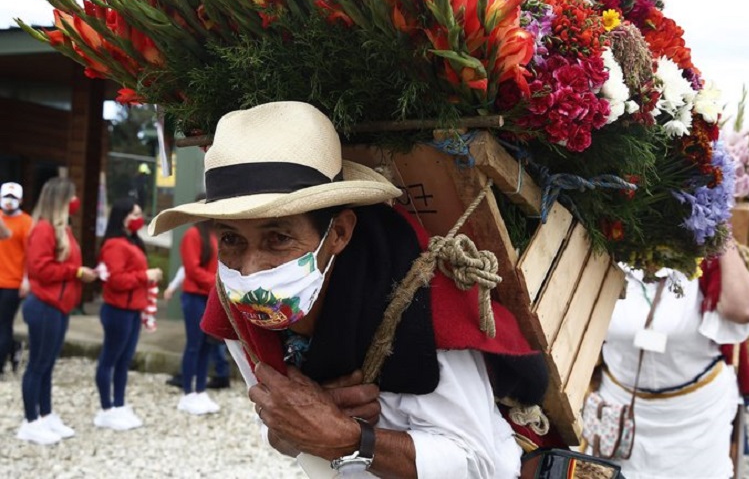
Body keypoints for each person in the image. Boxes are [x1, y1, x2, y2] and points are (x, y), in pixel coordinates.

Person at [149, 102, 551, 478]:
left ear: (338, 232)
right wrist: (294, 422)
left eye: (278, 238)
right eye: (232, 240)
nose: (251, 271)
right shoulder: (234, 301)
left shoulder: (422, 297)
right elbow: (275, 425)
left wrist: (346, 438)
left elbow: (477, 462)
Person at [590, 244, 749, 479]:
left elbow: (746, 310)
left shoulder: (704, 259)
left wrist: (721, 231)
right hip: (620, 412)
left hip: (695, 418)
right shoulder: (606, 248)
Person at [17, 177, 98, 444]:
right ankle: (31, 421)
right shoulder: (43, 229)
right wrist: (75, 271)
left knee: (48, 364)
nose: (75, 201)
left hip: (57, 306)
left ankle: (46, 414)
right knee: (38, 365)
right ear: (61, 200)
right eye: (72, 196)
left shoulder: (61, 228)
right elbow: (40, 268)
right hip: (44, 305)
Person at [94, 198, 162, 431]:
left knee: (123, 361)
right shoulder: (114, 244)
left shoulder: (132, 241)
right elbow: (116, 279)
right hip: (118, 310)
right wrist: (145, 276)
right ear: (121, 217)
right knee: (110, 360)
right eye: (134, 215)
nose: (139, 219)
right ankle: (106, 408)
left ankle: (119, 404)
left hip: (132, 310)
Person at [163, 218, 221, 414]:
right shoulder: (193, 234)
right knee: (194, 345)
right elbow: (192, 269)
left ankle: (200, 390)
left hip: (209, 296)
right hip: (195, 297)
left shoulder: (213, 233)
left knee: (207, 345)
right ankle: (188, 392)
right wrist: (217, 284)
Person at [164, 266, 232, 390]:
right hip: (211, 291)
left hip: (210, 291)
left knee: (205, 342)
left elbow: (190, 269)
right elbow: (189, 268)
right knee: (207, 341)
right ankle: (216, 375)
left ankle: (214, 375)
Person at [0, 182, 32, 377]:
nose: (9, 201)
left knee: (4, 322)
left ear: (20, 200)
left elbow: (30, 254)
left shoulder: (26, 223)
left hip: (13, 281)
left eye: (13, 197)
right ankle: (14, 348)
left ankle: (1, 365)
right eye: (6, 196)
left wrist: (27, 279)